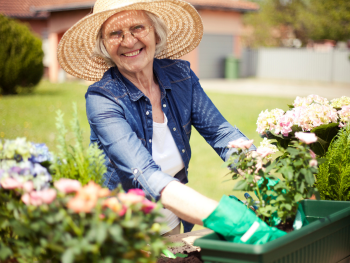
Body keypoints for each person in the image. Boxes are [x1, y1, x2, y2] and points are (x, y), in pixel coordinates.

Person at [57, 0, 285, 242]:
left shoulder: (181, 77)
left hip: (169, 222)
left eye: (137, 28)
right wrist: (228, 218)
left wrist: (260, 174)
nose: (128, 40)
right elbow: (143, 173)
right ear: (104, 45)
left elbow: (221, 134)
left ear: (156, 32)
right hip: (119, 232)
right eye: (115, 33)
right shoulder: (103, 98)